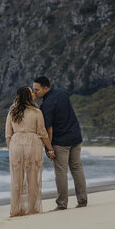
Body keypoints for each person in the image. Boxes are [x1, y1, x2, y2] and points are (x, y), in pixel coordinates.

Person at [32, 76, 87, 210]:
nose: (35, 93)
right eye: (34, 90)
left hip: (61, 141)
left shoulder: (47, 105)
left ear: (46, 88)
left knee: (61, 172)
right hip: (75, 136)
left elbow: (48, 129)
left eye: (37, 90)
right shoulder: (62, 92)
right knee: (77, 168)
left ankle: (62, 204)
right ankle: (82, 200)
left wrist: (48, 148)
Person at [4, 86, 54, 217]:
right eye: (31, 92)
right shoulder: (36, 112)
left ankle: (16, 209)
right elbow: (43, 133)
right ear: (28, 96)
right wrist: (50, 148)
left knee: (16, 180)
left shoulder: (11, 112)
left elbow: (8, 135)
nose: (34, 93)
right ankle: (32, 209)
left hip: (16, 143)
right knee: (33, 178)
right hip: (33, 143)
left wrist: (11, 149)